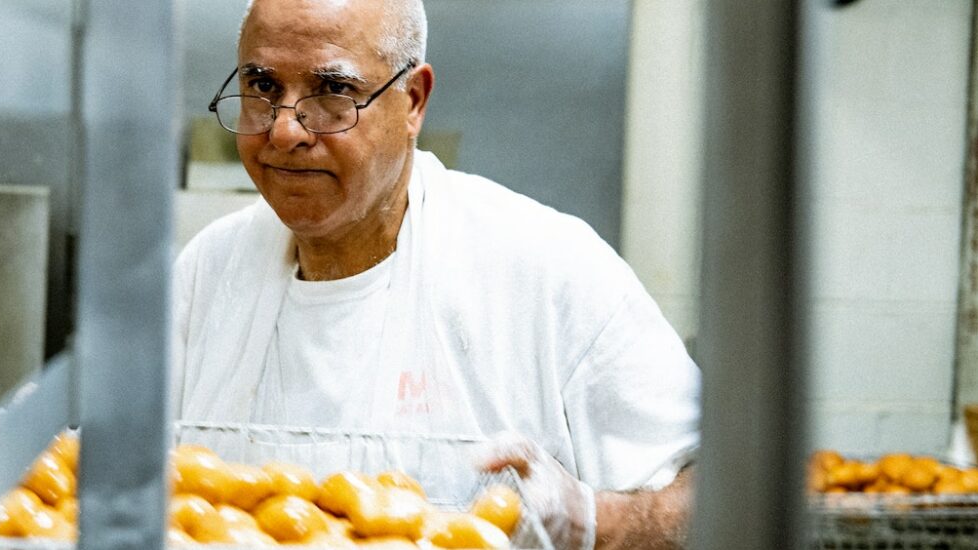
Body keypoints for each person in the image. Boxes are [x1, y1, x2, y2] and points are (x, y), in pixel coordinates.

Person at [171, 0, 700, 548]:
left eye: (333, 92)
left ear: (413, 102)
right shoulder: (208, 273)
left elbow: (726, 487)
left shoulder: (546, 269)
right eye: (261, 86)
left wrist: (598, 521)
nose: (284, 131)